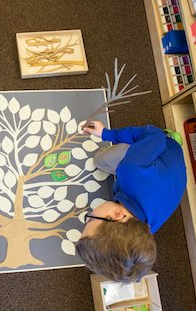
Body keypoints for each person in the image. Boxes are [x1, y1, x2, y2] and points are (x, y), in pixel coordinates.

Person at [76, 120, 187, 283]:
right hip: (165, 148)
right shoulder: (131, 168)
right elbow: (154, 135)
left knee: (104, 163)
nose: (90, 215)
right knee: (100, 159)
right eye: (91, 219)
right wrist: (106, 134)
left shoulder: (142, 232)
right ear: (117, 214)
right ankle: (171, 136)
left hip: (173, 178)